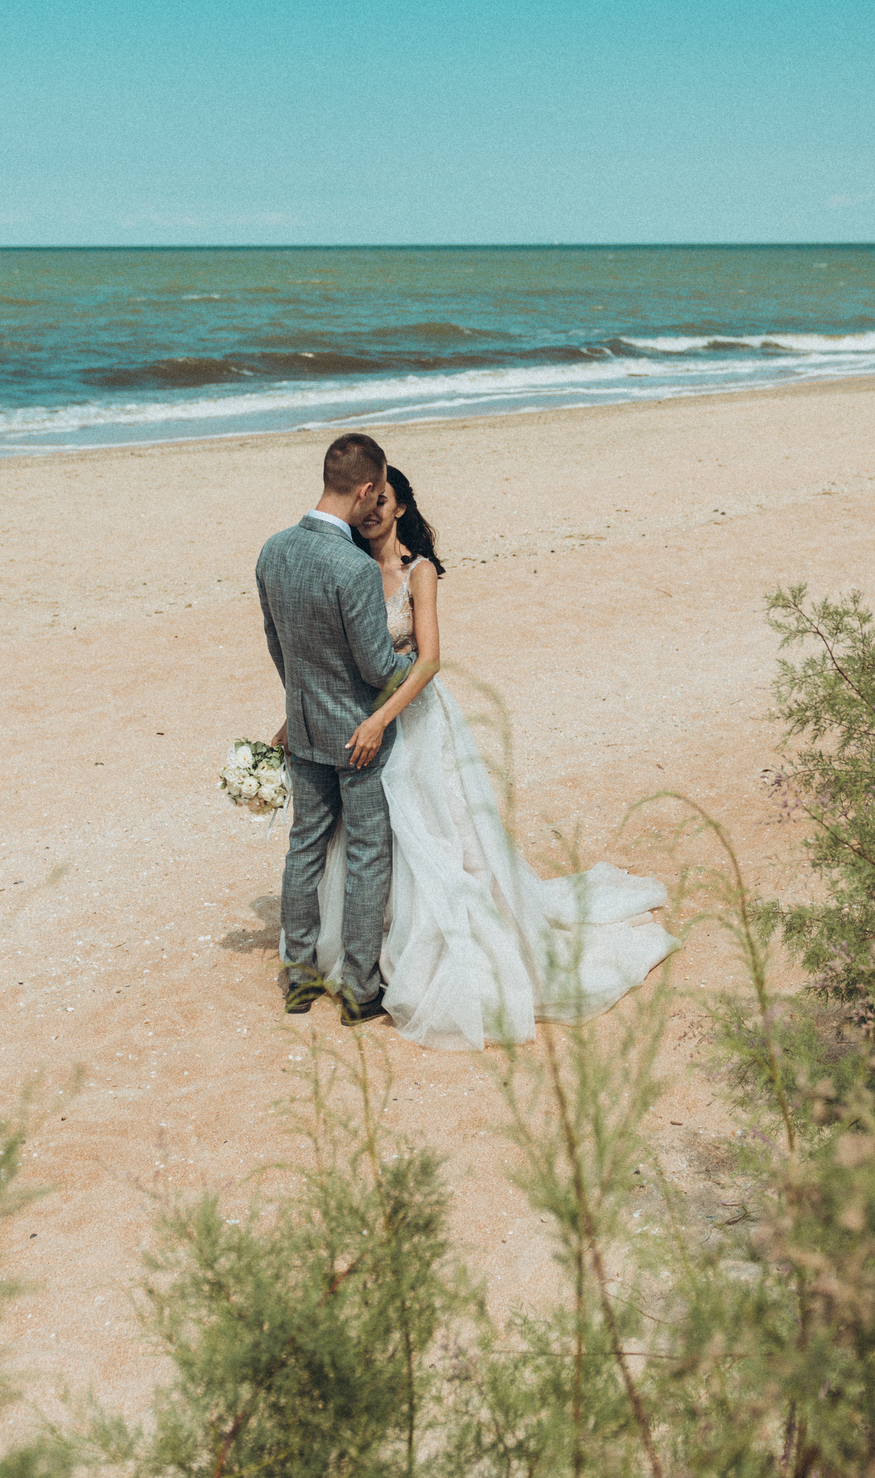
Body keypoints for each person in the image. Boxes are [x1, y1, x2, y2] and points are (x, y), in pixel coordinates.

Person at [300, 463, 677, 1050]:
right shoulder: (346, 568)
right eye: (368, 502)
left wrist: (381, 716)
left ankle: (448, 950)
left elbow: (428, 661)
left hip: (414, 719)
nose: (372, 512)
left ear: (400, 508)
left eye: (385, 503)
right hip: (359, 719)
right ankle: (366, 953)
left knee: (439, 834)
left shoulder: (416, 572)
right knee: (373, 837)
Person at [254, 432, 414, 1025]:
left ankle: (298, 976)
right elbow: (376, 666)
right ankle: (359, 989)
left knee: (306, 846)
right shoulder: (352, 567)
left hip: (304, 723)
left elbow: (279, 647)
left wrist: (298, 703)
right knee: (369, 854)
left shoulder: (272, 551)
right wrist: (417, 665)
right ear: (368, 487)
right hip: (358, 735)